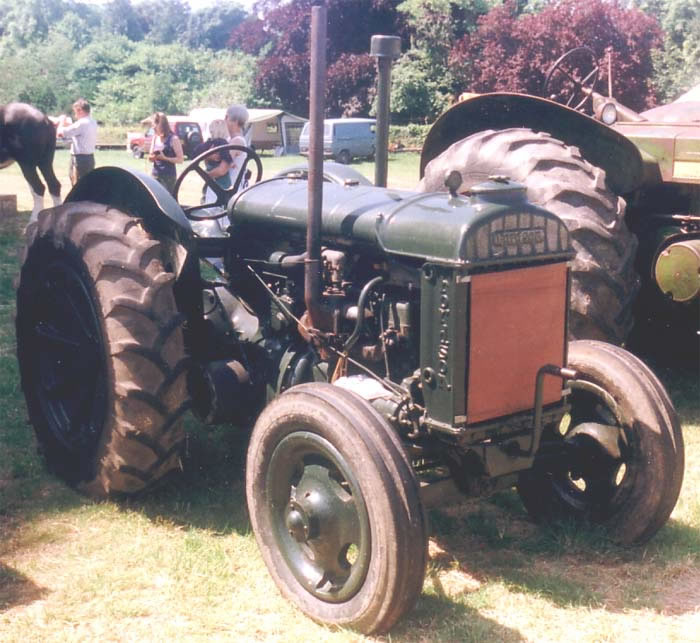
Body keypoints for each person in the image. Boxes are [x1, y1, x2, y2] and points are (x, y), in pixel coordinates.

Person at [57, 98, 98, 186]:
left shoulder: (81, 123)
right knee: (87, 184)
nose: (75, 114)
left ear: (80, 111)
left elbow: (60, 133)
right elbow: (77, 130)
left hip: (80, 159)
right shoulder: (92, 122)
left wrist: (61, 121)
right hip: (89, 158)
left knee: (77, 185)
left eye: (76, 111)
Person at [148, 112, 183, 194]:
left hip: (168, 177)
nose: (154, 127)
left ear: (163, 125)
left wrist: (165, 158)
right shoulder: (155, 138)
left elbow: (180, 159)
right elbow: (150, 157)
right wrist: (152, 158)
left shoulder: (174, 139)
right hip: (155, 175)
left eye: (156, 124)